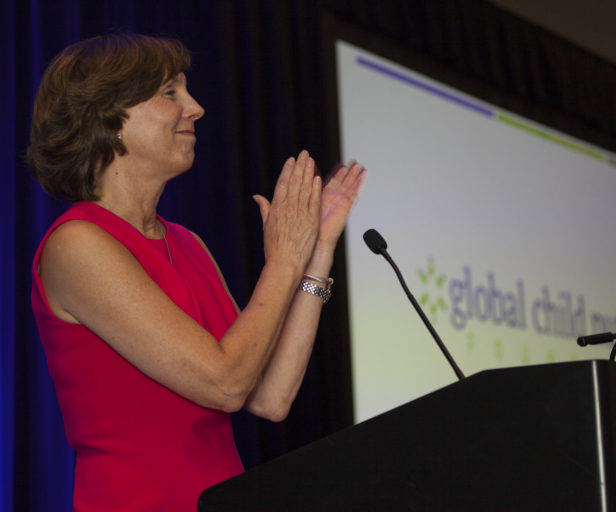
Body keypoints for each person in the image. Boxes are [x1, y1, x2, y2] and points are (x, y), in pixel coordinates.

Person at [27, 33, 365, 511]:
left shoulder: (187, 243)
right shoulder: (77, 244)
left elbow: (269, 396)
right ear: (110, 116)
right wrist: (283, 262)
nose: (196, 108)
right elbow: (225, 383)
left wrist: (315, 256)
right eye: (170, 92)